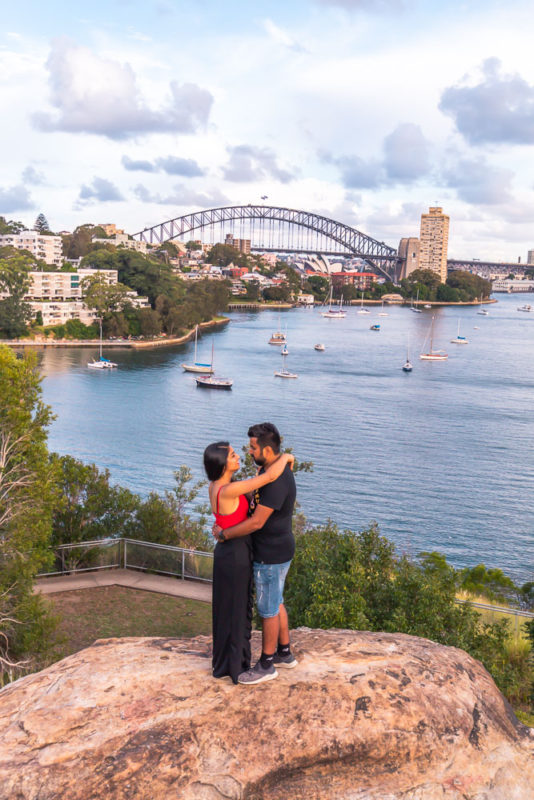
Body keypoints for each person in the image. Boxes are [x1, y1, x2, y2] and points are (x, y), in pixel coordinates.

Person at [213, 422, 297, 686]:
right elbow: (251, 493)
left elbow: (256, 523)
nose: (248, 452)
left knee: (268, 608)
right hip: (276, 549)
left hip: (271, 552)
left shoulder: (276, 480)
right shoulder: (268, 469)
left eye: (252, 448)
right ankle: (284, 653)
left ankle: (266, 665)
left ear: (268, 451)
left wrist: (225, 534)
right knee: (276, 600)